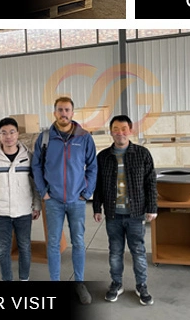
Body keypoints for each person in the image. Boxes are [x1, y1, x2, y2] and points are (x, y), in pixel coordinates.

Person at [31, 96, 98, 303]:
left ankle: (79, 282)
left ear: (72, 113)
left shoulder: (84, 137)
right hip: (53, 201)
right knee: (53, 243)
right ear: (54, 113)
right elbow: (36, 166)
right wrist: (44, 192)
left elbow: (93, 167)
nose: (63, 113)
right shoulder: (44, 138)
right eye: (60, 110)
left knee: (78, 242)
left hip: (77, 201)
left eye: (67, 110)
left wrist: (86, 193)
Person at [93, 115, 157, 306]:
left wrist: (152, 207)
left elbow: (151, 182)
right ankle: (116, 284)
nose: (119, 132)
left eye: (123, 128)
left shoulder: (142, 153)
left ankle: (142, 286)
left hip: (136, 213)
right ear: (110, 131)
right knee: (115, 251)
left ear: (130, 130)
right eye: (115, 129)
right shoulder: (103, 157)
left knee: (138, 250)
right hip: (113, 214)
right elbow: (98, 185)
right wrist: (97, 207)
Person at [0, 117, 41, 282]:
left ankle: (24, 278)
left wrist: (36, 206)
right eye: (4, 133)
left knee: (25, 247)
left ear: (18, 134)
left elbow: (35, 184)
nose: (8, 136)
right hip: (1, 212)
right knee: (3, 249)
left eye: (12, 132)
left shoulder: (28, 156)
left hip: (23, 212)